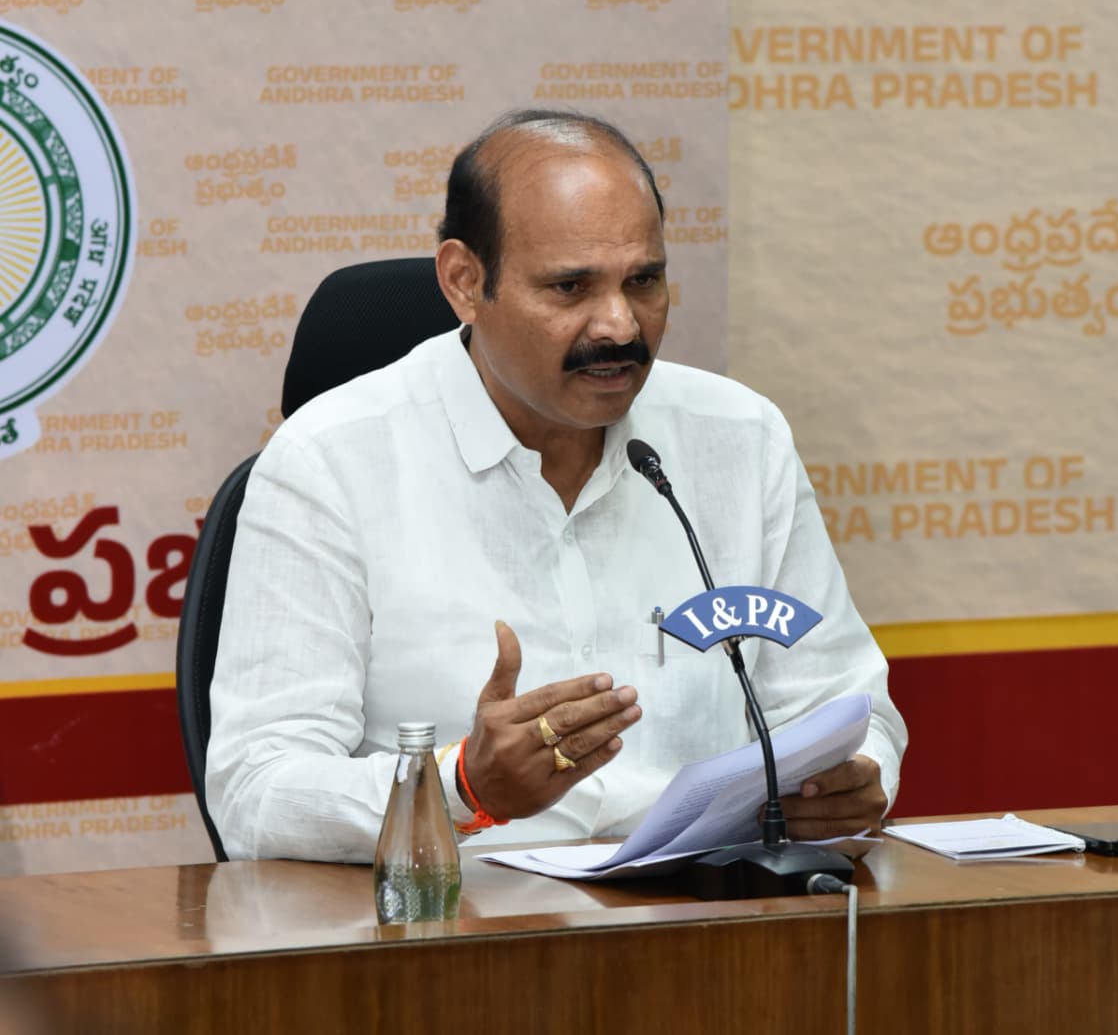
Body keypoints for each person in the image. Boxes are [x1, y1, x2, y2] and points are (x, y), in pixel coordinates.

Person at [206, 109, 906, 861]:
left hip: (699, 907)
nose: (619, 326)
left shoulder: (739, 436)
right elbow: (255, 789)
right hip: (457, 914)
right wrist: (462, 786)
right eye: (571, 287)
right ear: (465, 282)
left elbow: (848, 705)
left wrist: (854, 778)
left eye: (644, 281)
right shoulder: (331, 460)